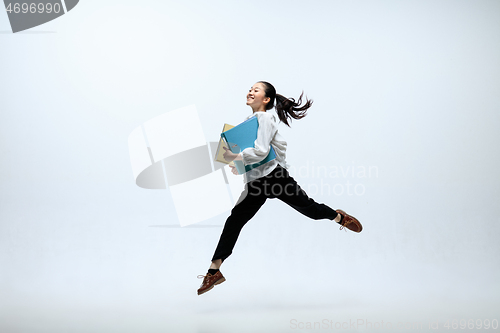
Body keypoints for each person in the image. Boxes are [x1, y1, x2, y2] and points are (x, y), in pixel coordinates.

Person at [197, 81, 362, 295]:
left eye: (255, 90)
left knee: (310, 210)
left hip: (275, 178)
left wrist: (233, 156)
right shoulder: (249, 121)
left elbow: (263, 151)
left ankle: (339, 217)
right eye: (250, 88)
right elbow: (255, 154)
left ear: (266, 99)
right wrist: (241, 166)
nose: (250, 91)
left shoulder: (266, 117)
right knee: (234, 221)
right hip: (255, 182)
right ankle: (214, 271)